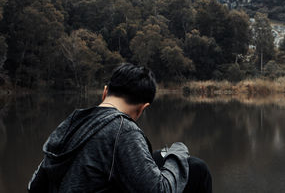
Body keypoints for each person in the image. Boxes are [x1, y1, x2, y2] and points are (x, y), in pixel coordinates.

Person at [28, 63, 212, 192]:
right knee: (195, 167)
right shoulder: (123, 129)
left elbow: (35, 185)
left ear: (105, 92)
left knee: (158, 157)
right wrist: (178, 151)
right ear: (143, 108)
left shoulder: (71, 121)